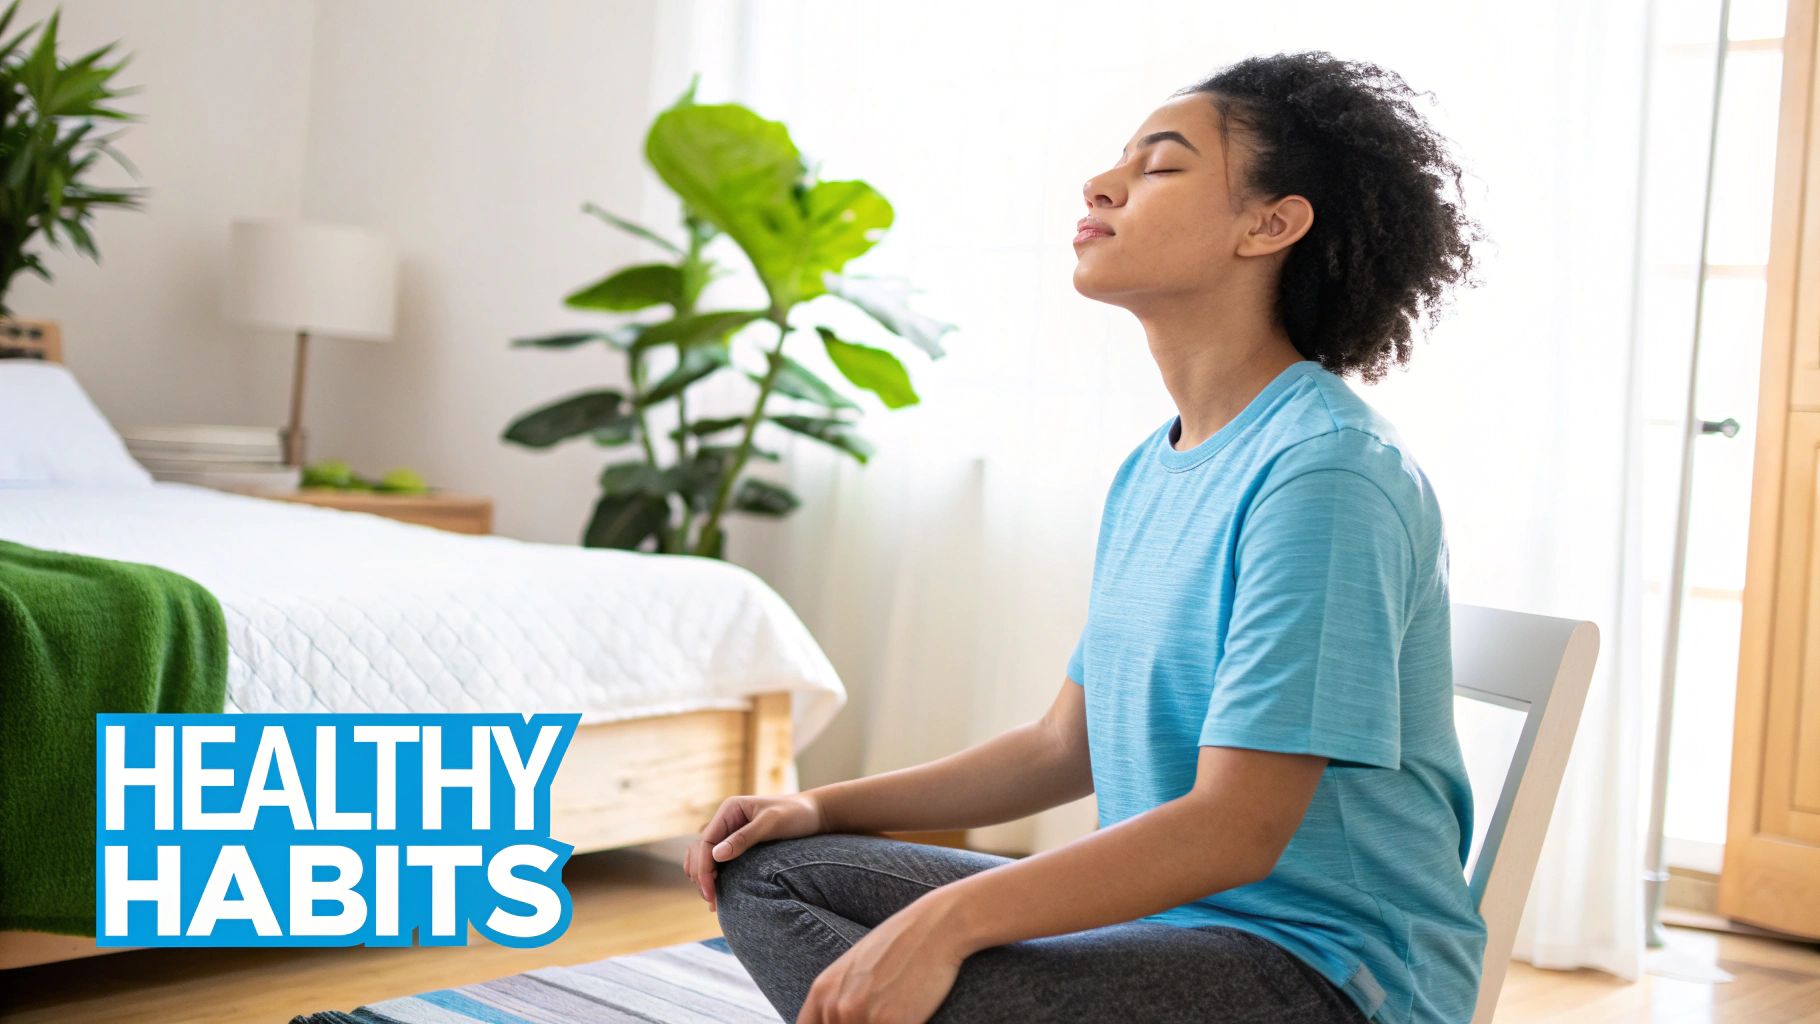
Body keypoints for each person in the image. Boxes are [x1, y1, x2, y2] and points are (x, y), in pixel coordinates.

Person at [686, 49, 1491, 1024]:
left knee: (937, 966)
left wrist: (947, 922)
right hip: (1156, 932)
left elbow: (1234, 831)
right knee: (765, 871)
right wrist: (820, 805)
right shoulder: (1153, 467)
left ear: (1269, 223)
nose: (1100, 183)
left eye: (1157, 166)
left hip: (1320, 977)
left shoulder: (1325, 470)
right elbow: (1058, 745)